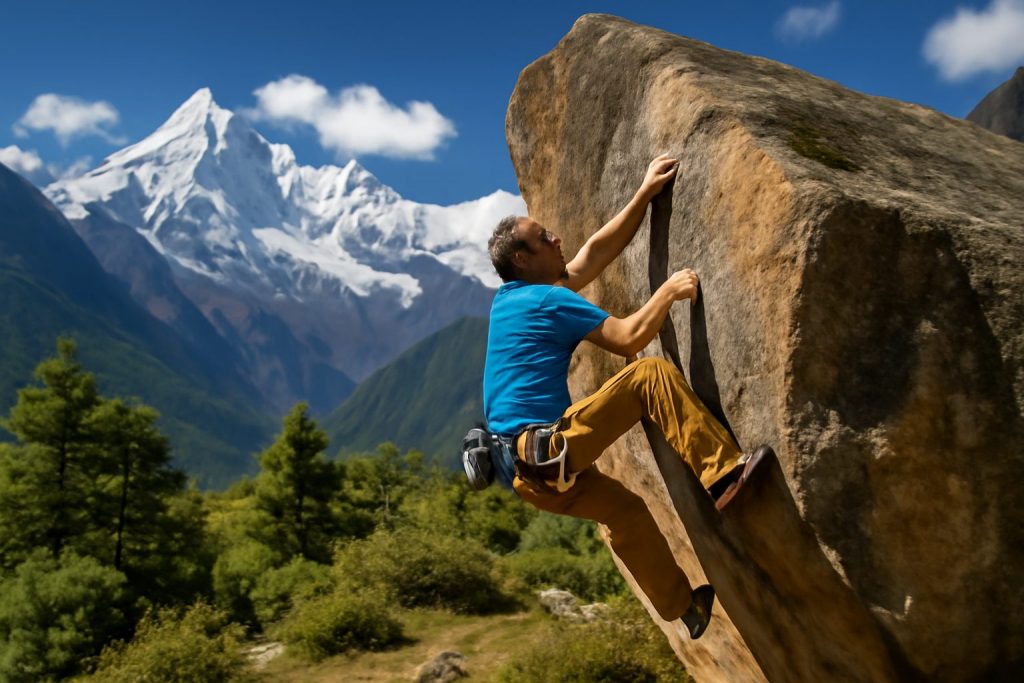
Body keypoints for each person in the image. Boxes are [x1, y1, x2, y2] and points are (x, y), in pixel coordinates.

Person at [482, 154, 772, 639]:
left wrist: (643, 195)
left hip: (527, 476)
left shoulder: (513, 300)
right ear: (522, 259)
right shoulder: (546, 299)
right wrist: (668, 291)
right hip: (549, 450)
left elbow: (594, 253)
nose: (557, 239)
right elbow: (627, 338)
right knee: (647, 376)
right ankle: (725, 477)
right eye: (544, 237)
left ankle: (685, 608)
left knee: (625, 513)